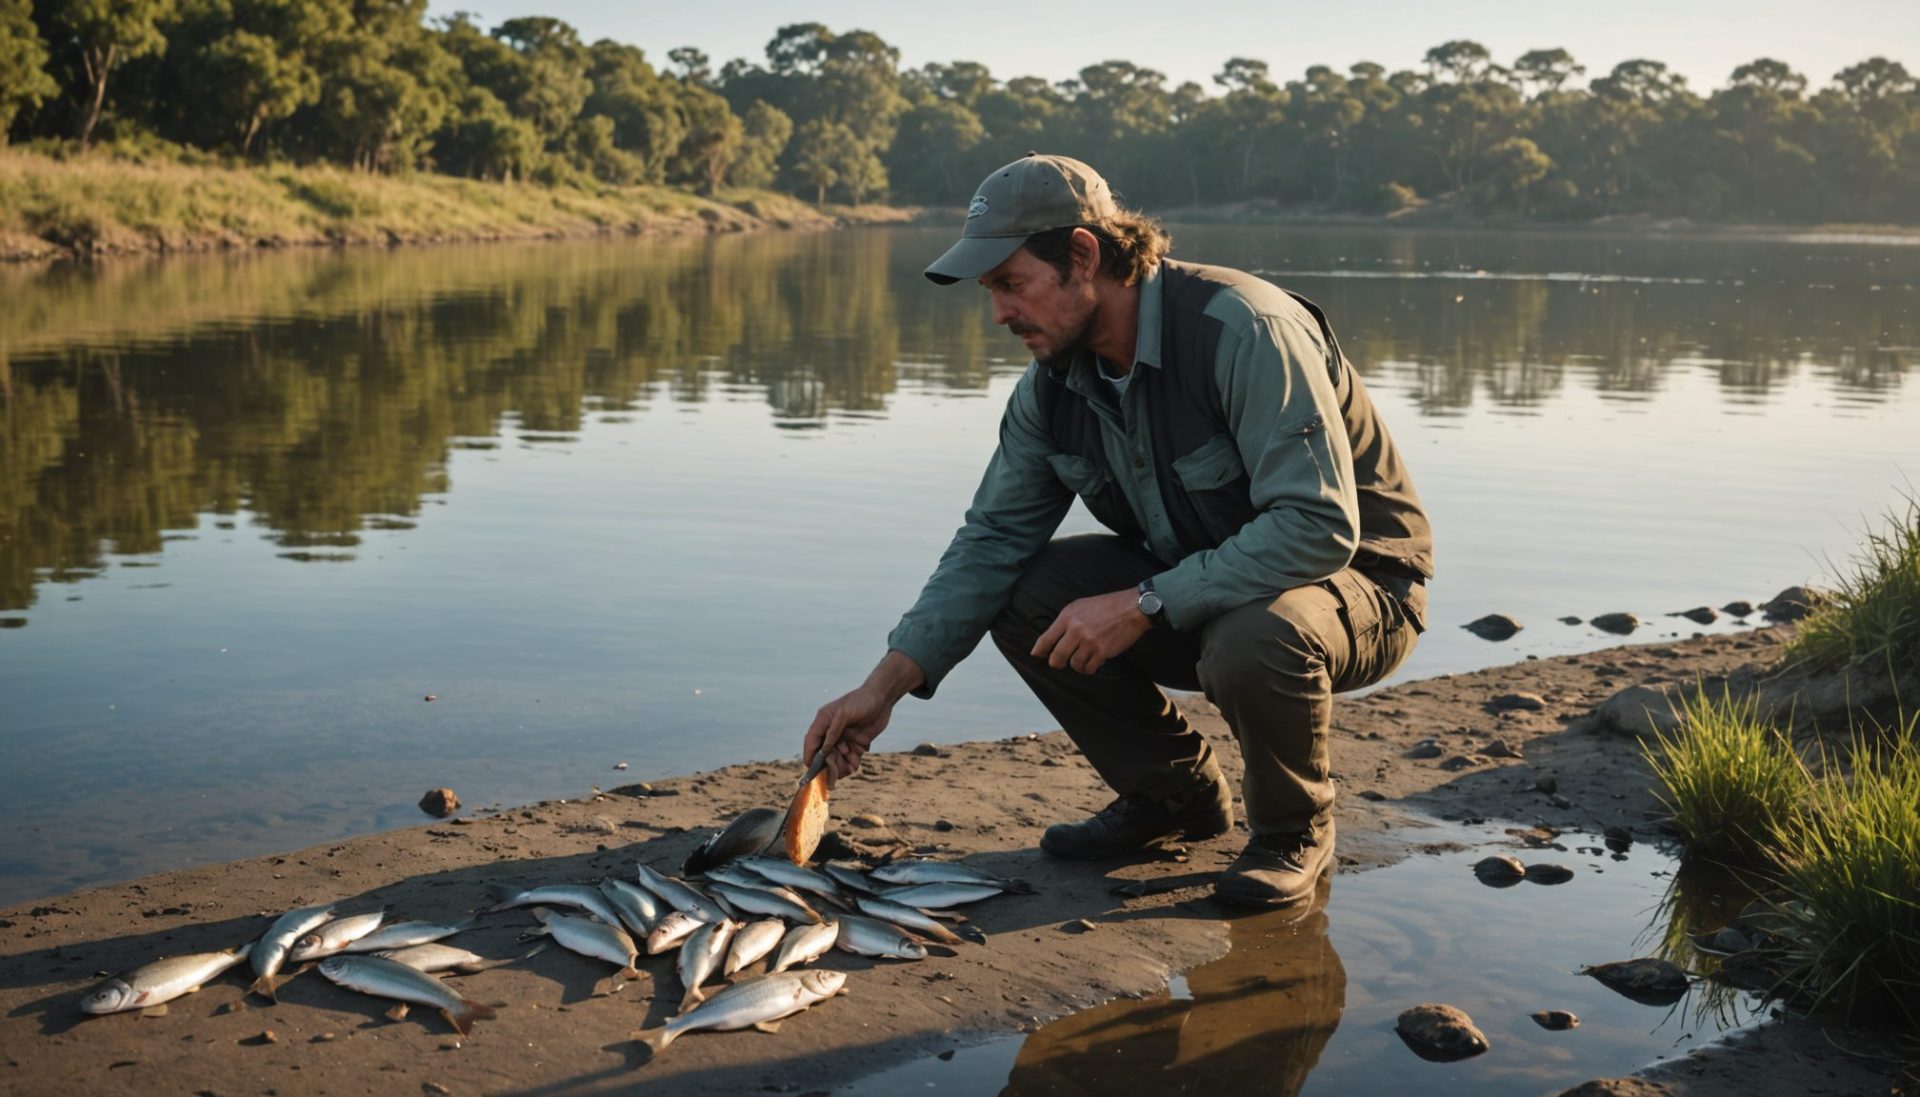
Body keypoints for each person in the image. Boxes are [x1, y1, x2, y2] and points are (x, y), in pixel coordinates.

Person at [800, 153, 1433, 907]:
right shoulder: (1051, 387)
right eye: (989, 292)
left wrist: (1142, 602)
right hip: (1197, 586)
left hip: (1353, 592)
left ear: (1082, 256)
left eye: (1009, 283)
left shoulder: (1247, 330)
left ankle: (1292, 831)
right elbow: (989, 543)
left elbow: (1317, 527)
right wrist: (883, 689)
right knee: (1024, 590)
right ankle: (1174, 795)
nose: (998, 314)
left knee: (1254, 634)